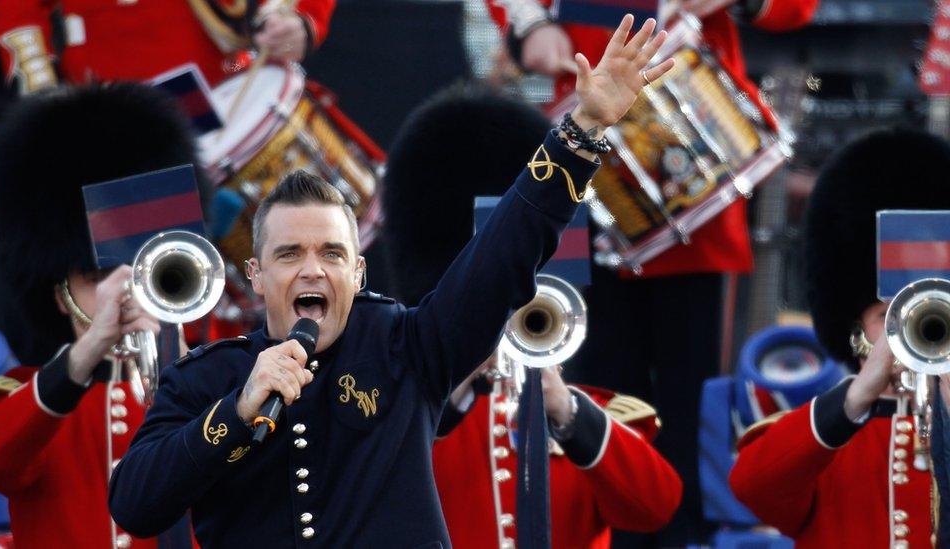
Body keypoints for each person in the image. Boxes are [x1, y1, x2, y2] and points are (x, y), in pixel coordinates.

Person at [107, 14, 675, 546]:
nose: (312, 269)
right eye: (289, 254)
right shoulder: (208, 378)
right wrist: (237, 410)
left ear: (357, 271)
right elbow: (135, 505)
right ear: (255, 275)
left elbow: (501, 254)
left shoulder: (408, 347)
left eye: (331, 252)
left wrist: (581, 133)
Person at [485, 0, 819, 541]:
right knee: (592, 385)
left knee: (692, 404)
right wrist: (529, 25)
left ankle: (687, 532)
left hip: (692, 165)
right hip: (581, 155)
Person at [382, 84, 681, 548]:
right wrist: (450, 383)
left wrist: (565, 409)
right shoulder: (410, 407)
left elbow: (654, 506)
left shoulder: (595, 414)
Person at [0, 82, 209, 548]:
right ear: (59, 294)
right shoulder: (24, 398)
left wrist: (182, 365)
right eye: (94, 274)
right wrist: (85, 353)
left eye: (143, 266)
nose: (119, 289)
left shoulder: (221, 383)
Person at [727, 128, 950, 546]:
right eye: (888, 317)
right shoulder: (825, 436)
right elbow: (751, 487)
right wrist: (854, 398)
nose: (909, 333)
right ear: (852, 330)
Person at [0, 0, 336, 94]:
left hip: (218, 88)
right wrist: (40, 90)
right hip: (107, 104)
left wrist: (299, 19)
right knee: (132, 264)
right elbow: (16, 8)